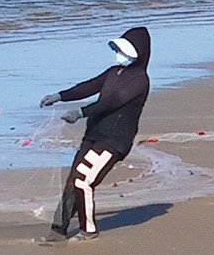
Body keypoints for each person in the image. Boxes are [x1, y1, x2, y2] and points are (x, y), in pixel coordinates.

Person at [42, 25, 152, 240]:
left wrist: (81, 112)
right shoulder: (113, 73)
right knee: (74, 180)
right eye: (118, 51)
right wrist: (60, 96)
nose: (119, 56)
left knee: (84, 181)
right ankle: (59, 229)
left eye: (124, 52)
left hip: (113, 142)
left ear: (137, 54)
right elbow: (89, 87)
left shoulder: (140, 81)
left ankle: (88, 230)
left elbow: (112, 102)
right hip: (94, 134)